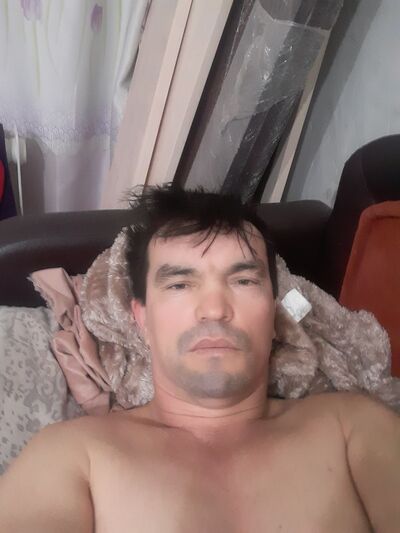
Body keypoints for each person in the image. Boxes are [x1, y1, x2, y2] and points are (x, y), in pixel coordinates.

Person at [0, 184, 399, 533]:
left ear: (274, 313)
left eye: (243, 280)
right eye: (179, 284)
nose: (214, 309)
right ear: (142, 319)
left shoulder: (351, 426)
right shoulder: (74, 457)